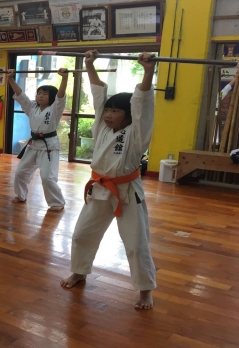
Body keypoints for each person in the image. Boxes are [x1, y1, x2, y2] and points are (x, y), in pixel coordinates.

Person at [60, 50, 157, 310]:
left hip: (126, 191)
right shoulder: (101, 127)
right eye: (108, 111)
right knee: (82, 234)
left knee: (136, 243)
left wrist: (148, 72)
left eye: (115, 111)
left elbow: (142, 105)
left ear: (127, 116)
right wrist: (89, 64)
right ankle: (79, 271)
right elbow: (97, 95)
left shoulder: (137, 134)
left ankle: (145, 290)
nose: (108, 115)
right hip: (99, 188)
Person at [7, 68, 68, 212]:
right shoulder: (32, 107)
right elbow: (21, 95)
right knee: (20, 172)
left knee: (47, 176)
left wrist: (64, 78)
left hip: (49, 146)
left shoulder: (55, 109)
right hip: (33, 144)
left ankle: (57, 201)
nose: (40, 96)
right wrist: (10, 79)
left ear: (51, 96)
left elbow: (60, 96)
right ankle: (21, 195)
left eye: (45, 94)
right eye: (39, 93)